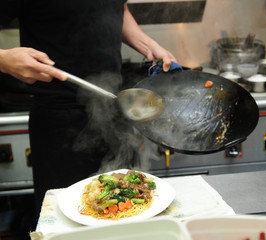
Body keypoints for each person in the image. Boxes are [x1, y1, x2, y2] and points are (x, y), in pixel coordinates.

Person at [0, 0, 176, 215]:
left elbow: (115, 8)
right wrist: (4, 59)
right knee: (67, 221)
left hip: (113, 109)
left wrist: (148, 46)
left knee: (128, 212)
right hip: (60, 123)